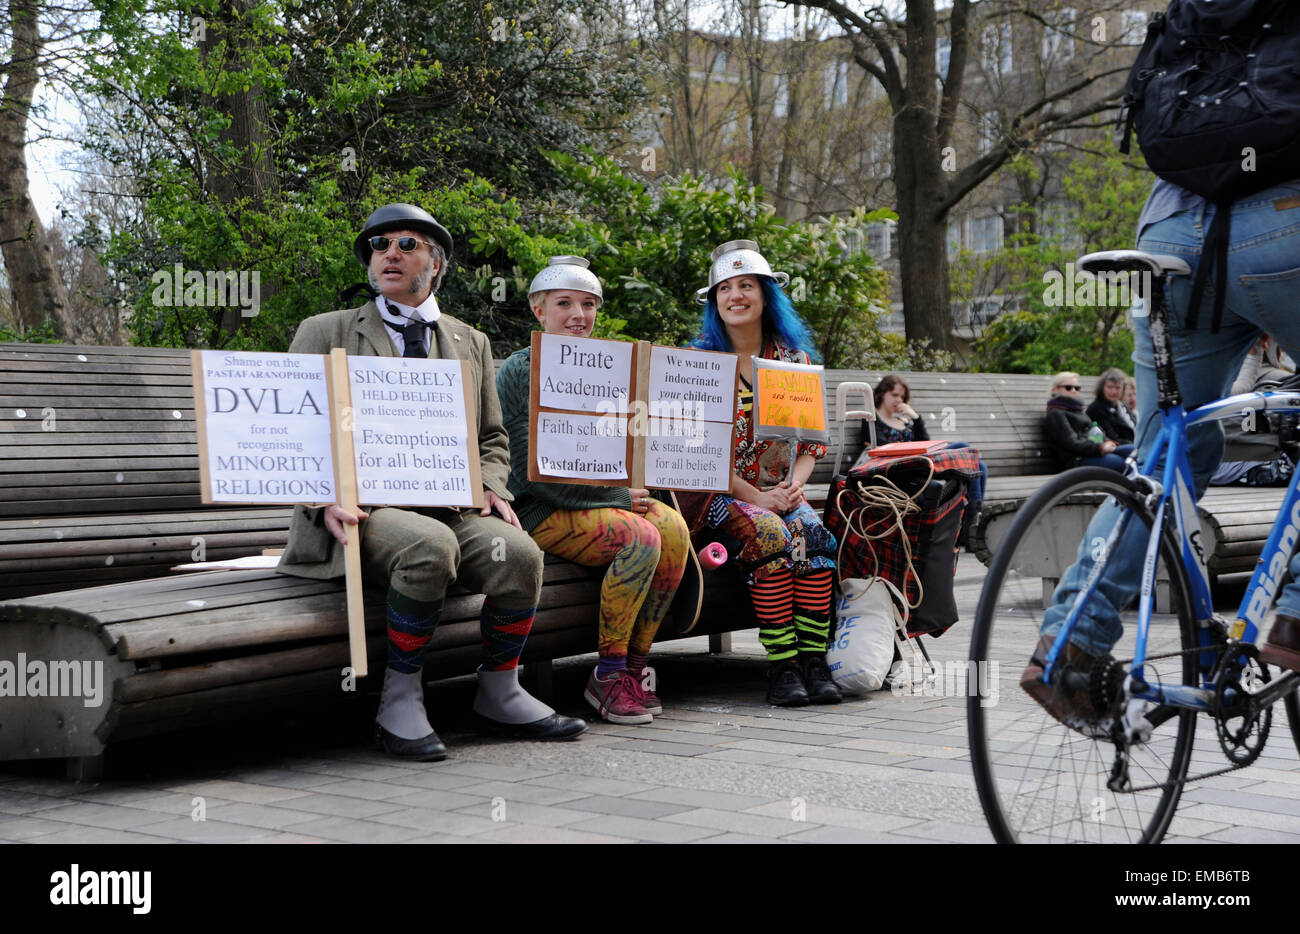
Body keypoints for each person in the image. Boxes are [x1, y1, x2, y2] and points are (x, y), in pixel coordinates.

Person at [277, 204, 586, 761]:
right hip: (365, 510)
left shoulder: (471, 341)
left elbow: (492, 437)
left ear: (436, 263)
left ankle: (499, 688)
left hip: (452, 504)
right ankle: (400, 695)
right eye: (379, 245)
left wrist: (493, 487)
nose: (389, 254)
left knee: (519, 553)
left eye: (406, 244)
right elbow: (293, 430)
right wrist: (322, 498)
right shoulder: (327, 332)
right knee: (429, 546)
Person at [1024, 175, 1300, 731]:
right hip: (1284, 222)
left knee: (1163, 458)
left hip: (1168, 236)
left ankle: (1070, 643)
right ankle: (1294, 618)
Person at [495, 256, 691, 725]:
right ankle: (606, 675)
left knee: (673, 528)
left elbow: (625, 445)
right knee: (639, 536)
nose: (578, 314)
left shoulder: (606, 366)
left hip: (602, 499)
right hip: (538, 511)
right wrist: (622, 498)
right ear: (539, 311)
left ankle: (636, 669)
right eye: (564, 303)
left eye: (587, 304)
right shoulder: (522, 371)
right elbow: (539, 473)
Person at [676, 240, 842, 707]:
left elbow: (810, 442)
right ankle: (782, 666)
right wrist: (758, 496)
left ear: (766, 294)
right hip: (720, 492)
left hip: (781, 490)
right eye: (724, 288)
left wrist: (796, 484)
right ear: (714, 302)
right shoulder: (696, 363)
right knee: (770, 535)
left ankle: (815, 660)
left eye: (746, 285)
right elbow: (697, 450)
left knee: (816, 538)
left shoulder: (796, 362)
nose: (735, 296)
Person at [859, 373, 988, 546]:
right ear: (881, 394)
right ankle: (972, 526)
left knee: (980, 466)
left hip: (921, 463)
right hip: (901, 467)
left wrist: (915, 418)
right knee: (964, 447)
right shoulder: (872, 419)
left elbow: (926, 443)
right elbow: (879, 448)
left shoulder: (904, 421)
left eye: (902, 397)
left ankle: (970, 526)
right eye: (894, 395)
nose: (899, 400)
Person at [1042, 371, 1134, 473]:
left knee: (1134, 451)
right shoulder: (1056, 414)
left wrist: (1108, 442)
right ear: (1055, 390)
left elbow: (1096, 431)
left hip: (1093, 451)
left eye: (1077, 388)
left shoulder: (1077, 410)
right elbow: (1071, 443)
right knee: (1126, 464)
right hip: (1077, 459)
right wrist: (1101, 448)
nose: (1073, 390)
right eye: (1068, 387)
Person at [1085, 368, 1136, 446]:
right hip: (1108, 447)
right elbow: (1111, 437)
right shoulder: (1096, 408)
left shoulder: (1123, 406)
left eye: (1117, 388)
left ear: (1123, 389)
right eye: (1110, 387)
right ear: (1102, 388)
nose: (1114, 391)